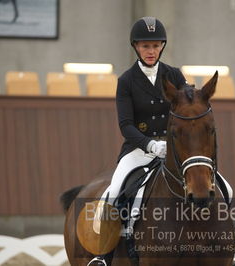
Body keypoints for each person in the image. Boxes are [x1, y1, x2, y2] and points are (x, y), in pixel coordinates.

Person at [87, 17, 187, 266]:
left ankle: (229, 250)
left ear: (162, 46)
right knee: (112, 195)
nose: (151, 51)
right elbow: (126, 125)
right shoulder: (126, 81)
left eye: (155, 46)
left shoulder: (174, 75)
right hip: (138, 150)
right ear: (135, 47)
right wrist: (151, 145)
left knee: (224, 188)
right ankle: (103, 255)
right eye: (145, 46)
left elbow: (186, 111)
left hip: (174, 151)